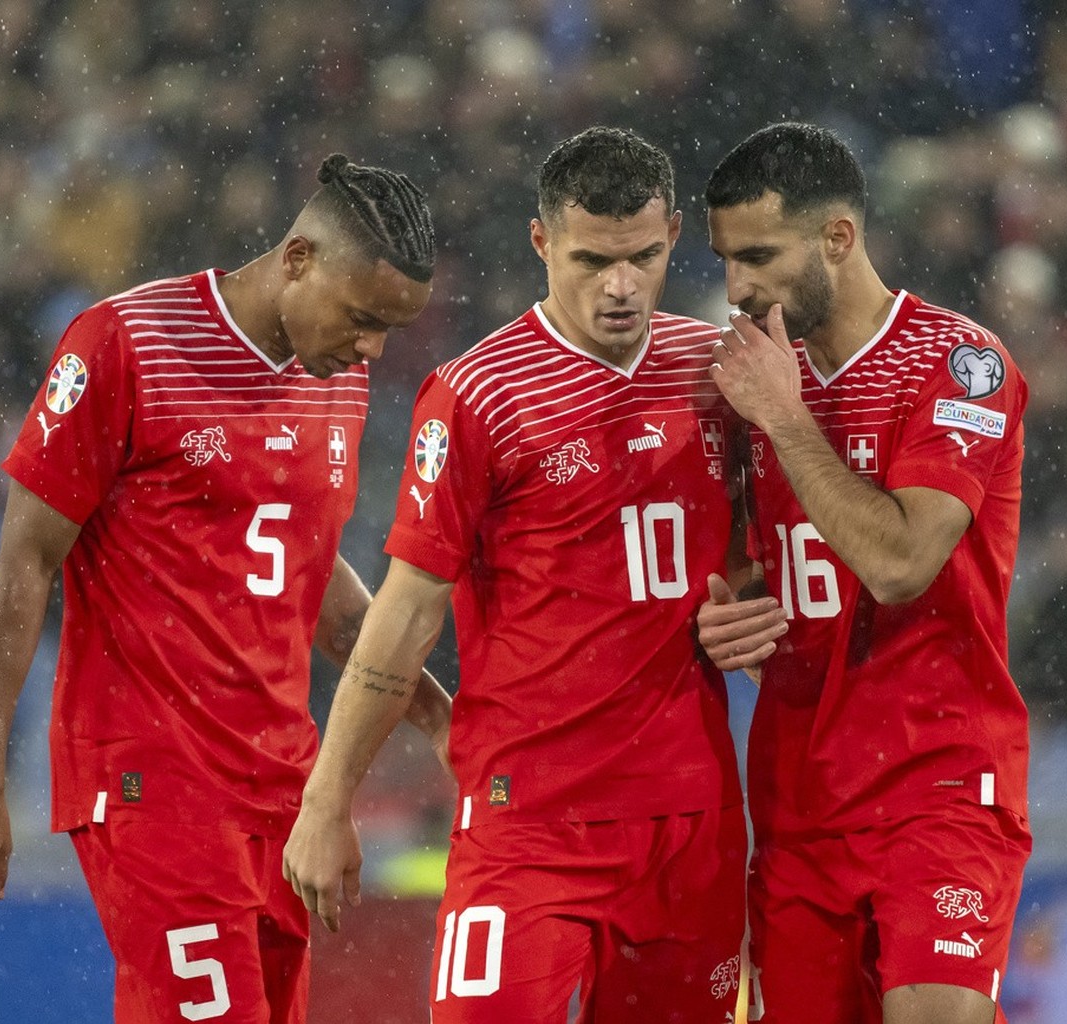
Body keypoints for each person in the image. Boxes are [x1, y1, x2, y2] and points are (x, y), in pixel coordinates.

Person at [0, 155, 452, 1024]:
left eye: (388, 331)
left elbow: (309, 574)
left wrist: (432, 718)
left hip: (283, 785)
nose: (372, 350)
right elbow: (24, 562)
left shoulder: (340, 379)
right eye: (362, 319)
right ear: (297, 259)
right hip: (150, 779)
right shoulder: (126, 343)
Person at [282, 126, 749, 1023]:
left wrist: (749, 605)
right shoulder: (477, 396)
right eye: (590, 260)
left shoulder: (715, 374)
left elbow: (760, 562)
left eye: (643, 257)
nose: (619, 286)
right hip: (528, 820)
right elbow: (406, 614)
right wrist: (328, 795)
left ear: (676, 237)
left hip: (690, 825)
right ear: (541, 243)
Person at [696, 122, 1033, 1024]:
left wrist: (786, 418)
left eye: (760, 256)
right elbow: (741, 577)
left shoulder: (962, 366)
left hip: (940, 784)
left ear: (837, 238)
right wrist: (727, 619)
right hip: (799, 799)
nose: (738, 288)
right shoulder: (744, 387)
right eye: (727, 260)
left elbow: (896, 564)